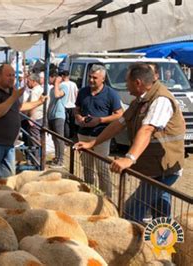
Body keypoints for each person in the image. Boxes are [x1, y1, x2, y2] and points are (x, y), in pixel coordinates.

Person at [74, 63, 185, 222]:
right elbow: (119, 123)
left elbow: (147, 129)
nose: (125, 85)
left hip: (165, 167)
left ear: (138, 82)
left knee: (132, 210)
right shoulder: (140, 101)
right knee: (160, 210)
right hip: (154, 167)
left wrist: (129, 158)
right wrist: (93, 143)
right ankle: (161, 244)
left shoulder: (160, 100)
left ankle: (132, 243)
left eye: (127, 81)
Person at [0, 64, 46, 181]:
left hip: (8, 143)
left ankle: (3, 198)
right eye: (8, 75)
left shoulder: (10, 92)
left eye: (13, 75)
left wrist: (39, 102)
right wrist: (14, 97)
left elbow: (19, 107)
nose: (12, 78)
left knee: (8, 180)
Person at [74, 64, 123, 197]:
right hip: (83, 134)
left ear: (103, 78)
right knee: (87, 167)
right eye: (90, 77)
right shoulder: (83, 91)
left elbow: (119, 114)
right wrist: (78, 117)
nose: (91, 80)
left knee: (102, 168)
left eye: (94, 78)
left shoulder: (111, 93)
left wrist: (100, 120)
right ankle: (90, 194)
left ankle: (106, 197)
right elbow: (76, 108)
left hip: (101, 136)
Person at [21, 71, 45, 165]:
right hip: (40, 117)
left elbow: (33, 105)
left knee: (34, 140)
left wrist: (30, 118)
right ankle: (38, 160)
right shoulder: (41, 89)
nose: (27, 83)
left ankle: (36, 161)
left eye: (28, 81)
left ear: (34, 81)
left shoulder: (35, 91)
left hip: (35, 118)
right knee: (38, 139)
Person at [47, 70, 68, 168]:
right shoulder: (52, 89)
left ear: (53, 77)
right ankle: (57, 157)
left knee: (59, 138)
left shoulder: (63, 87)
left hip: (59, 115)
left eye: (49, 77)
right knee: (54, 138)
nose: (48, 80)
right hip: (51, 115)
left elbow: (57, 95)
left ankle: (61, 160)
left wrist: (56, 83)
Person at [60, 70, 79, 141]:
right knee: (72, 121)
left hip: (65, 105)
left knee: (66, 122)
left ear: (62, 76)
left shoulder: (62, 84)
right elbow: (76, 94)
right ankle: (72, 135)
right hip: (73, 105)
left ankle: (67, 136)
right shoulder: (73, 84)